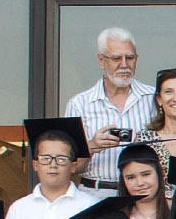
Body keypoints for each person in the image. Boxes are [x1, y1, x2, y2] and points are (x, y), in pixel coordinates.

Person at [66, 26, 156, 190]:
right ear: (101, 60)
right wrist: (91, 146)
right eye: (116, 58)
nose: (124, 65)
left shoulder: (154, 99)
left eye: (129, 58)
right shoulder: (79, 104)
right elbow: (69, 168)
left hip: (142, 193)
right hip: (96, 192)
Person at [7, 117, 101, 219]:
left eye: (61, 159)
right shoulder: (18, 209)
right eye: (46, 158)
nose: (53, 165)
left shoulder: (91, 206)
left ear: (73, 166)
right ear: (35, 165)